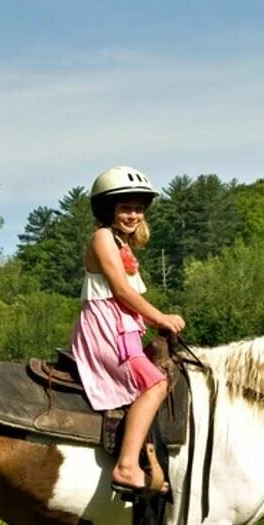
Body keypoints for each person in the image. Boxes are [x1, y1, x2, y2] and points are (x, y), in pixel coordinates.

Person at [70, 165, 185, 498]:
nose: (133, 214)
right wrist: (160, 317)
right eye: (125, 207)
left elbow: (131, 301)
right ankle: (127, 466)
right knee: (155, 384)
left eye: (138, 208)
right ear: (108, 210)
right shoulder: (102, 238)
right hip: (105, 331)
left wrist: (156, 325)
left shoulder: (123, 244)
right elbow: (121, 292)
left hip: (123, 331)